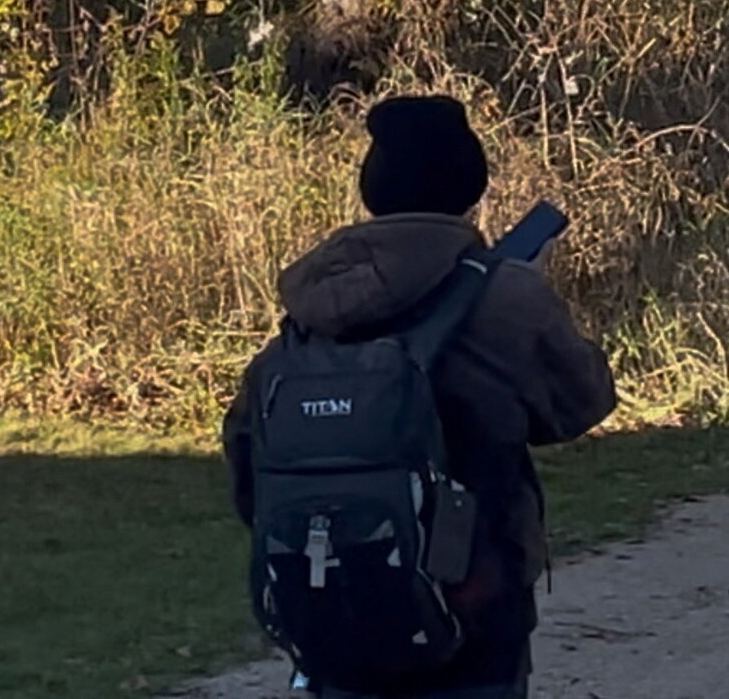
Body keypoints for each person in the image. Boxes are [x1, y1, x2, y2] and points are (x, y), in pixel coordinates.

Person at [223, 94, 616, 699]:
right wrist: (534, 295)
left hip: (331, 598)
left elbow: (246, 449)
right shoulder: (505, 297)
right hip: (475, 595)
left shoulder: (310, 306)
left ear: (371, 189)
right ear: (470, 184)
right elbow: (582, 402)